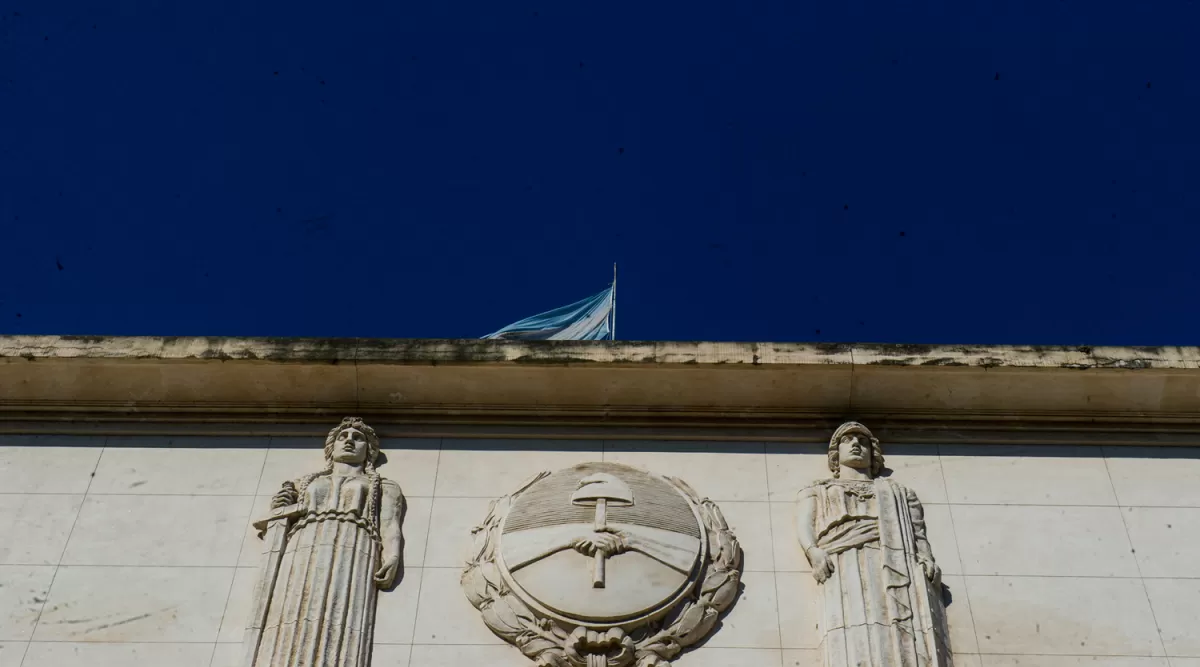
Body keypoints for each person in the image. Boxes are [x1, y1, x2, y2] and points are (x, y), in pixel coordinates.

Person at [247, 417, 404, 667]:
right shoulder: (305, 483)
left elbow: (390, 524)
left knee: (340, 614)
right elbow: (277, 522)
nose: (349, 440)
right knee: (291, 612)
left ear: (370, 451)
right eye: (343, 437)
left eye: (358, 437)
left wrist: (392, 555)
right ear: (331, 449)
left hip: (354, 548)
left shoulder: (383, 486)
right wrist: (281, 507)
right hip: (303, 547)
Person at [796, 422, 951, 667]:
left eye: (863, 441)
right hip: (842, 560)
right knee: (850, 623)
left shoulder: (899, 493)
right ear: (835, 455)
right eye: (847, 440)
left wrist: (926, 558)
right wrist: (813, 551)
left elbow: (918, 536)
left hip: (895, 560)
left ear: (873, 452)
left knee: (898, 628)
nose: (856, 444)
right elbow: (805, 525)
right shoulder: (818, 490)